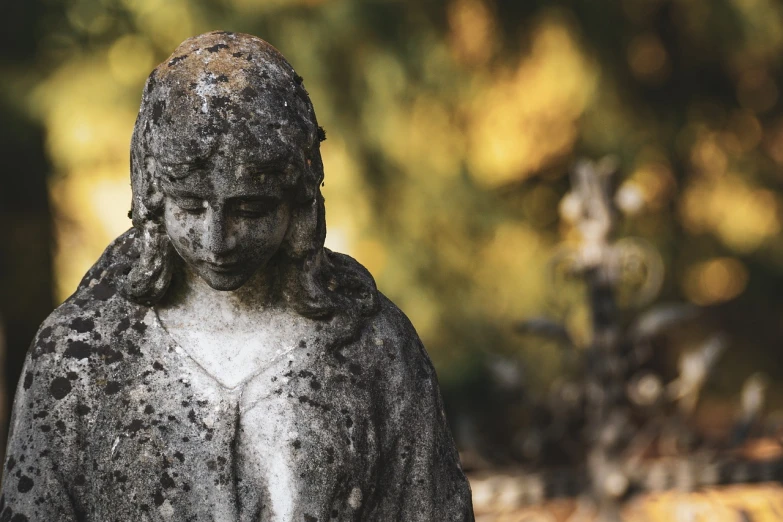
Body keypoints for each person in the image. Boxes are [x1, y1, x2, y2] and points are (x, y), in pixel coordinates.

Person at [0, 31, 473, 521]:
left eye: (249, 209)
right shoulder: (78, 356)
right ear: (151, 197)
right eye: (190, 206)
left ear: (299, 200)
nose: (217, 240)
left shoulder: (375, 348)